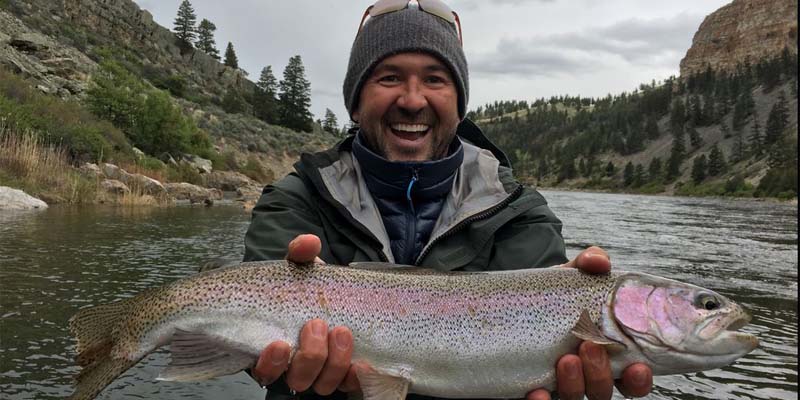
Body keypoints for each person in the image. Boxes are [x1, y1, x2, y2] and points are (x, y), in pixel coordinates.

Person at [242, 1, 653, 399]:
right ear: (355, 100)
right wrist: (277, 368)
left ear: (459, 105)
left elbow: (541, 366)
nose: (413, 100)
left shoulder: (521, 216)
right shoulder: (296, 198)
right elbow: (248, 341)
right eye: (389, 78)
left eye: (436, 80)